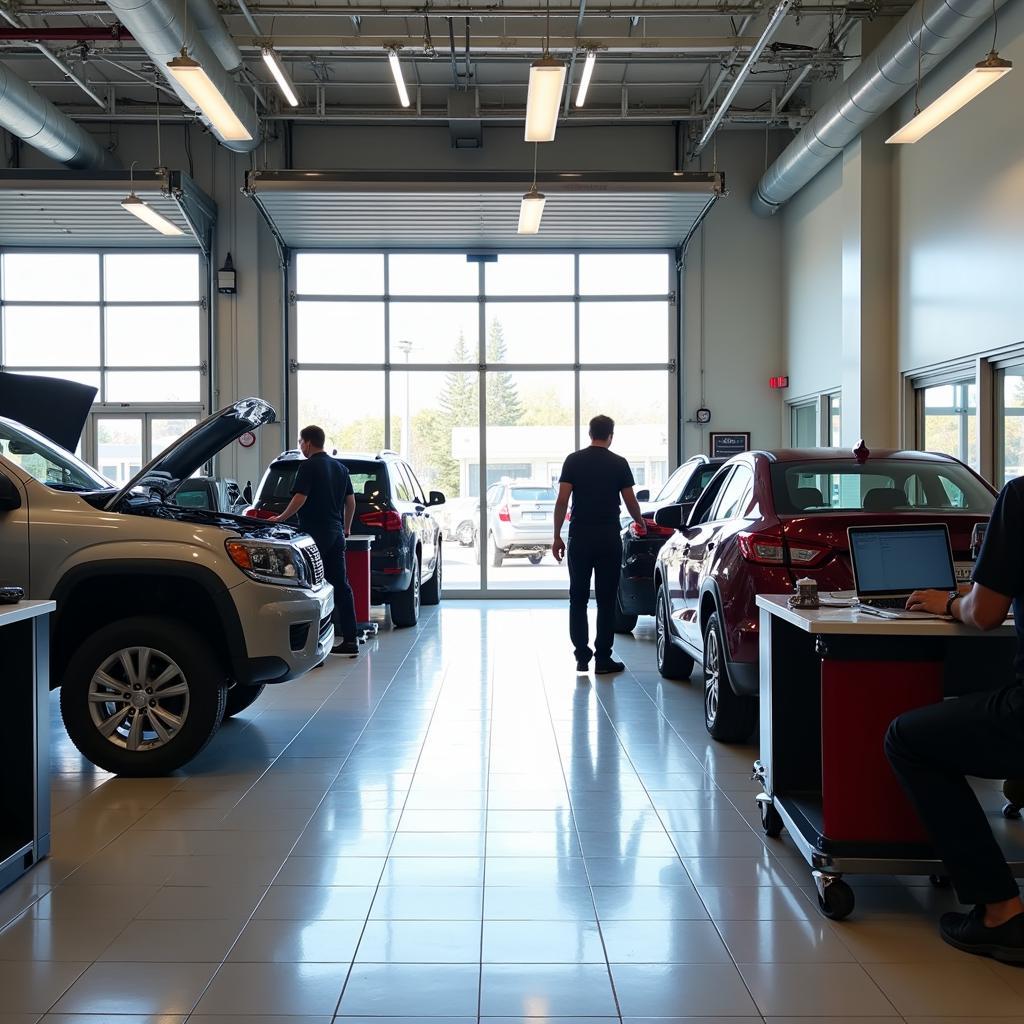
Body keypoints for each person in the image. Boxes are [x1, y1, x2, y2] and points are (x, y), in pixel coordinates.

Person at [885, 476, 1024, 963]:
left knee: (908, 738)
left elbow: (985, 614)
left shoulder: (1022, 497)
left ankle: (1000, 911)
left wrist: (949, 601)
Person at [552, 414, 647, 674]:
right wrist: (640, 521)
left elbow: (562, 501)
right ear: (610, 435)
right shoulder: (619, 463)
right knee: (606, 600)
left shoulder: (573, 461)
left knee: (578, 597)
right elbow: (630, 501)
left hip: (579, 536)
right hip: (608, 536)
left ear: (590, 433)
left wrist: (557, 535)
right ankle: (603, 659)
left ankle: (582, 656)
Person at [271, 425, 359, 657]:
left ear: (309, 442)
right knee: (341, 586)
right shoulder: (341, 468)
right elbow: (351, 503)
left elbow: (300, 497)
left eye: (301, 442)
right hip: (336, 533)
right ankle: (351, 639)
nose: (300, 446)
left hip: (314, 535)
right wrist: (347, 527)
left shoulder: (308, 466)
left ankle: (312, 646)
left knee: (311, 589)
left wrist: (280, 518)